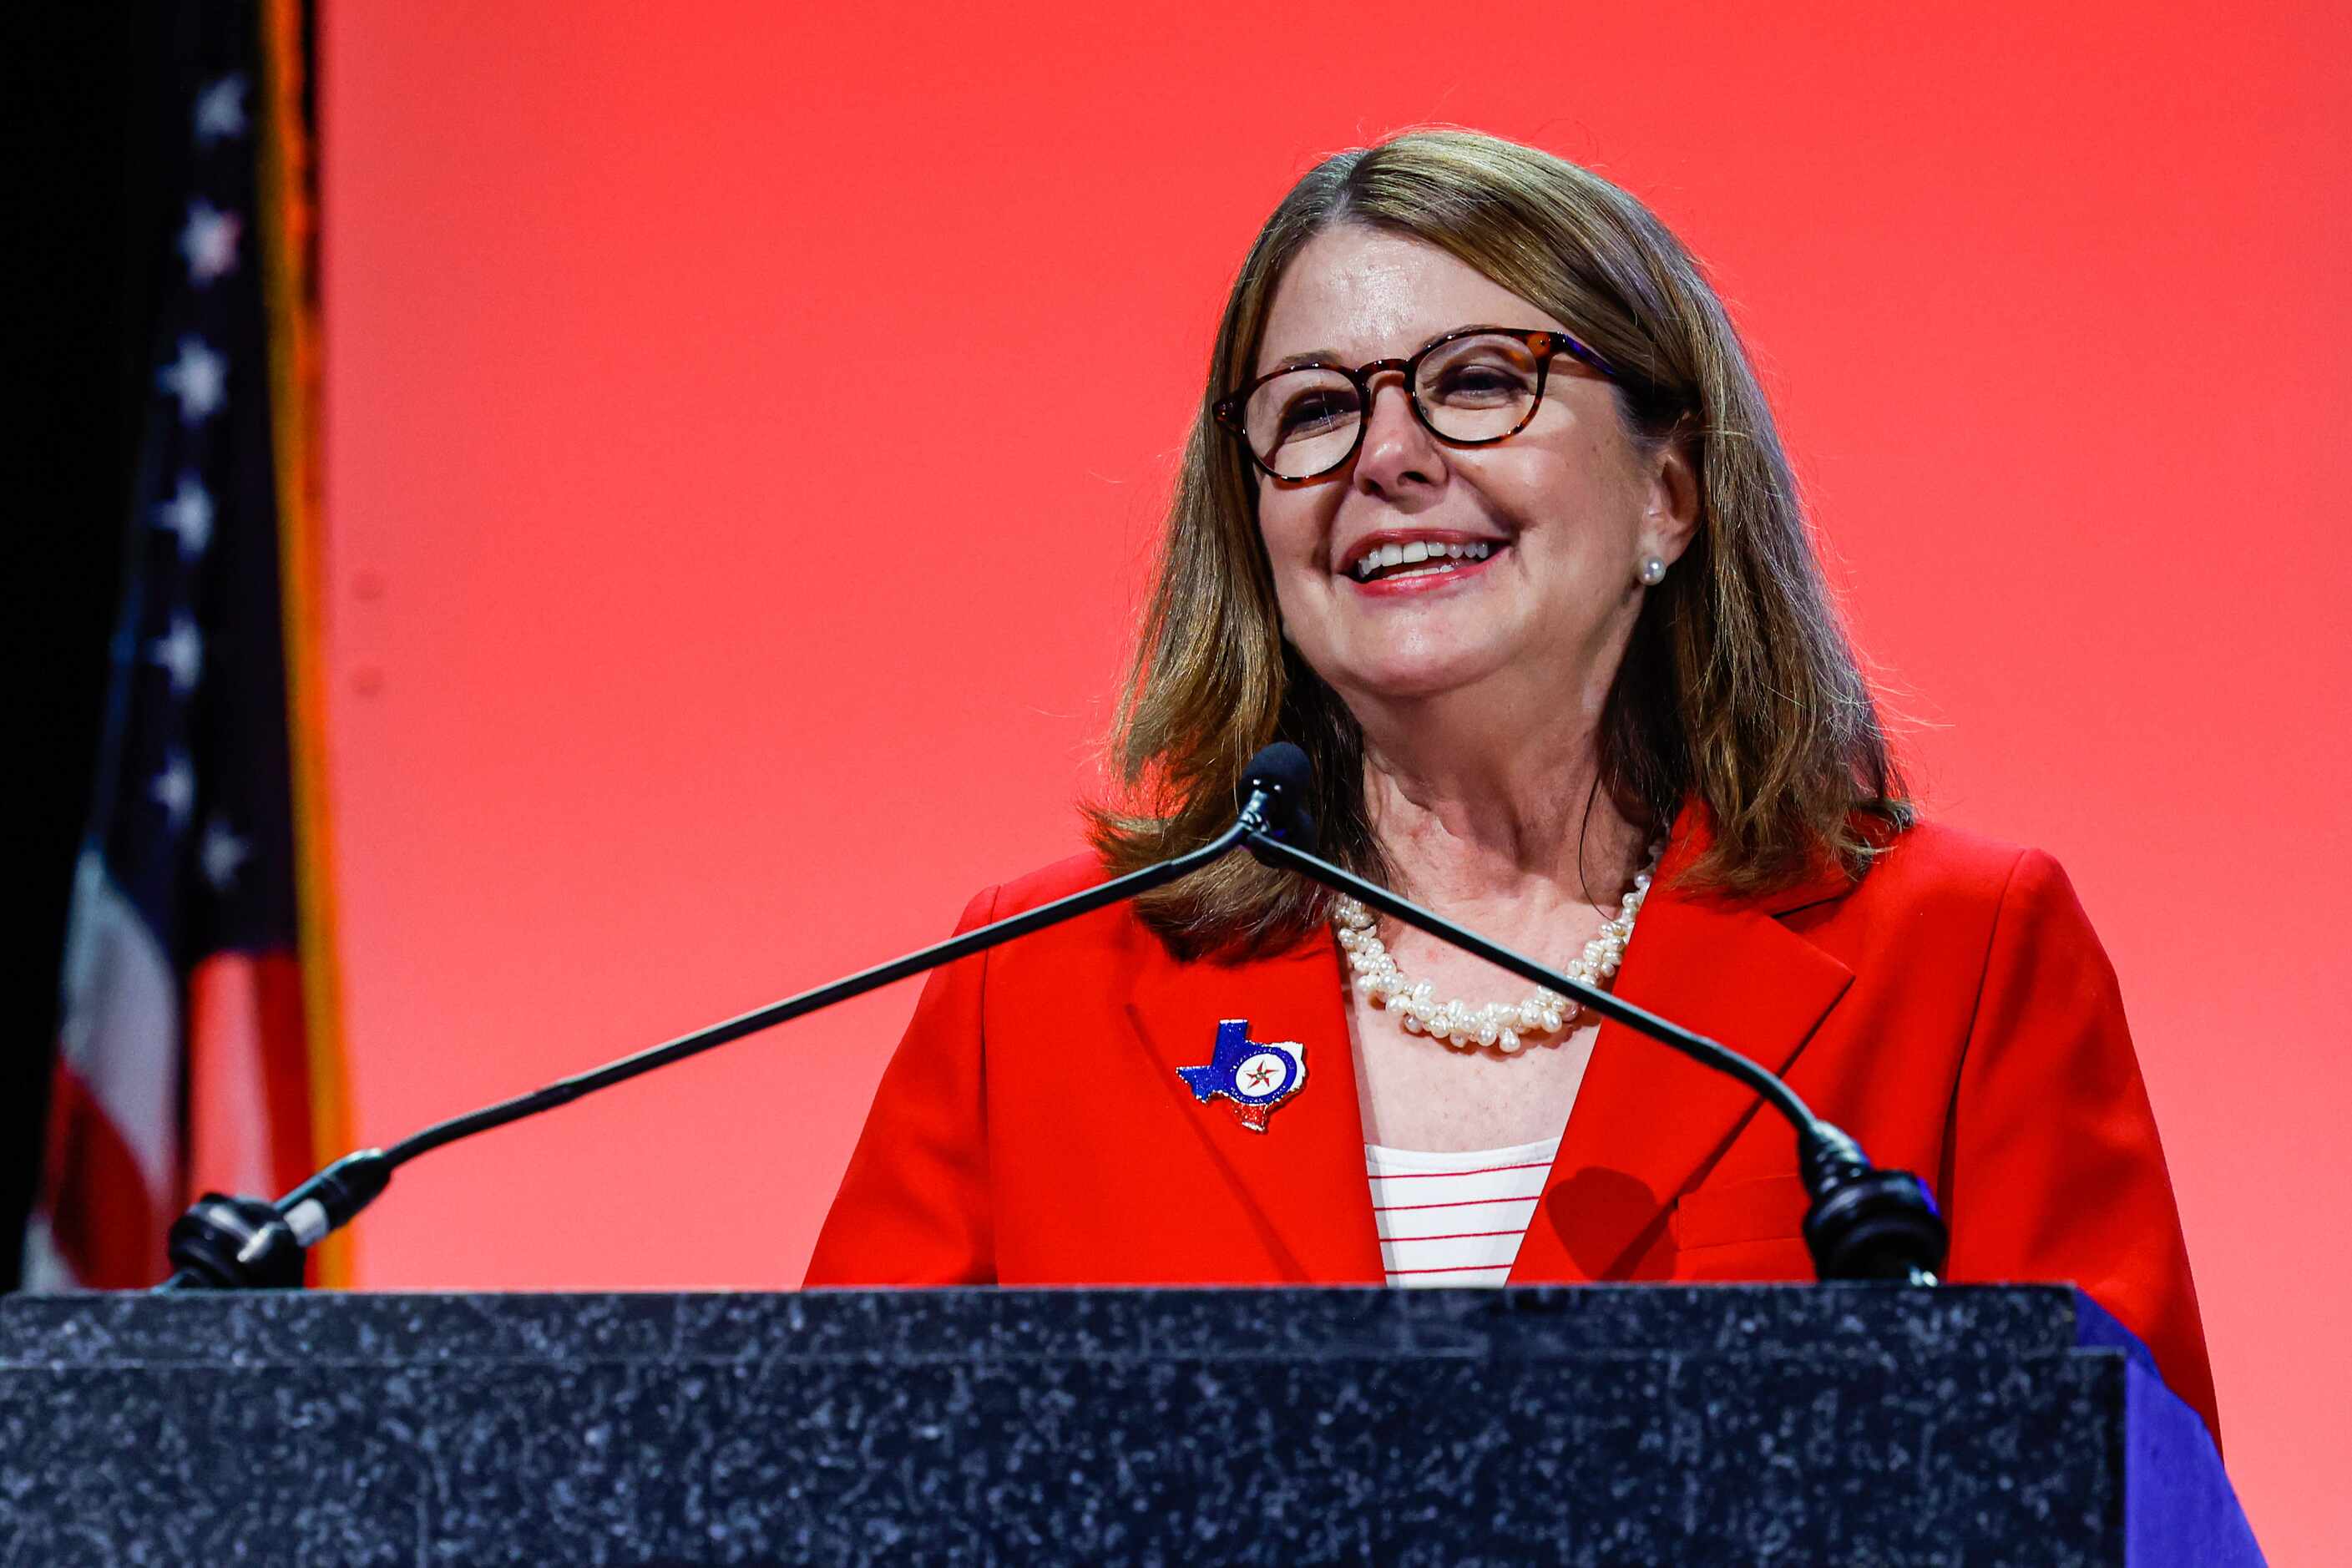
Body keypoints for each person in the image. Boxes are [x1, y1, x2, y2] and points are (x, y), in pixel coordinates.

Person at [802, 129, 2218, 1444]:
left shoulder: (1955, 953)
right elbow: (828, 1489)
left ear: (1667, 491)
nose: (1387, 456)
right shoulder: (1036, 985)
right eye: (1311, 411)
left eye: (1480, 381)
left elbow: (2120, 1500)